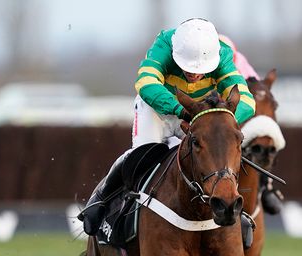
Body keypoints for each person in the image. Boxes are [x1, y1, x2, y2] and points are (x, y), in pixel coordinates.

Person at [80, 18, 256, 235]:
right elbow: (146, 83)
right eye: (189, 67)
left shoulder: (222, 54)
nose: (194, 74)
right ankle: (101, 200)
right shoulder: (164, 44)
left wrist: (217, 120)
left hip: (200, 118)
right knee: (142, 155)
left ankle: (236, 213)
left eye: (201, 69)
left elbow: (247, 100)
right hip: (157, 111)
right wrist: (181, 110)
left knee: (218, 159)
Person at [220, 34, 285, 215]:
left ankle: (267, 186)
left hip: (242, 115)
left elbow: (257, 92)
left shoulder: (242, 65)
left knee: (266, 140)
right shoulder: (207, 67)